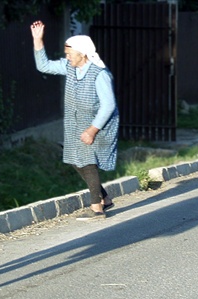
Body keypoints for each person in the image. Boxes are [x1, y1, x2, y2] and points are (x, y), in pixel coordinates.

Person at [30, 20, 119, 221]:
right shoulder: (70, 68)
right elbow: (44, 66)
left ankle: (97, 209)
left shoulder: (100, 74)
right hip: (75, 125)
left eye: (70, 53)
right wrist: (38, 40)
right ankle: (104, 197)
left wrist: (92, 130)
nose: (66, 56)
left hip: (99, 125)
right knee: (75, 161)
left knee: (87, 162)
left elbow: (108, 105)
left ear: (82, 53)